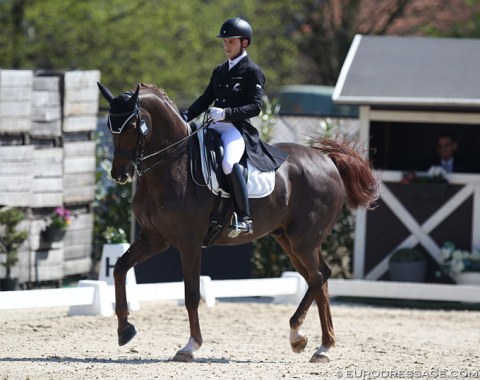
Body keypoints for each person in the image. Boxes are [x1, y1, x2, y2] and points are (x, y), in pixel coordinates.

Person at [182, 17, 288, 238]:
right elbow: (204, 100)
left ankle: (244, 217)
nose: (226, 45)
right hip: (212, 126)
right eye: (224, 41)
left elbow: (255, 107)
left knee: (229, 163)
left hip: (235, 129)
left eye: (231, 41)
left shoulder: (252, 71)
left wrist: (226, 113)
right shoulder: (219, 71)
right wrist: (183, 116)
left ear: (244, 43)